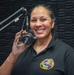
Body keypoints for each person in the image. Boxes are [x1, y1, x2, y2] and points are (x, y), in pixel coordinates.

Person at [0, 4, 74, 75]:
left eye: (43, 19)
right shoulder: (22, 49)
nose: (38, 24)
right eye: (33, 20)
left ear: (52, 24)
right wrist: (14, 55)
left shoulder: (67, 53)